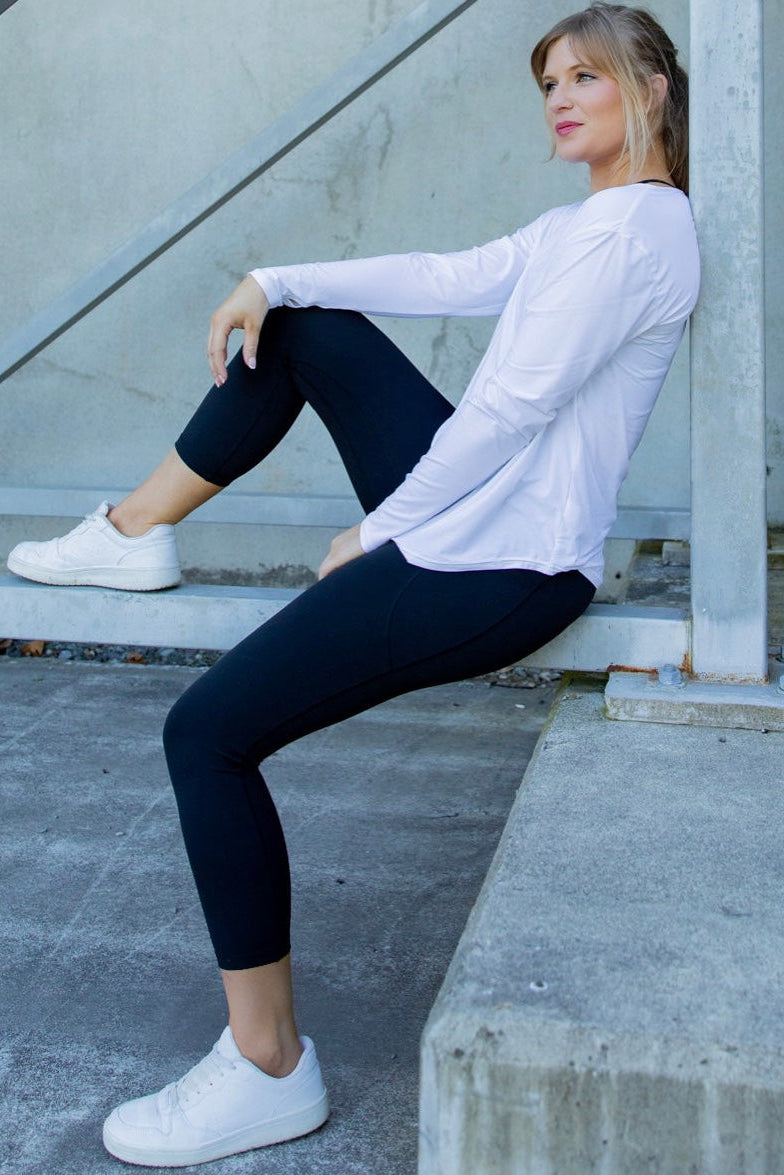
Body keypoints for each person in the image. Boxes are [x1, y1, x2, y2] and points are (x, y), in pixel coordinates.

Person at [7, 2, 699, 1166]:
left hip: (503, 563)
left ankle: (267, 1065)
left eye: (586, 75)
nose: (561, 98)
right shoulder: (592, 225)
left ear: (655, 89)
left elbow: (514, 406)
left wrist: (382, 524)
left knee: (208, 730)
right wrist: (272, 274)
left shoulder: (635, 236)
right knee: (306, 325)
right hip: (476, 522)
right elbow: (449, 272)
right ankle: (134, 530)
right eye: (547, 83)